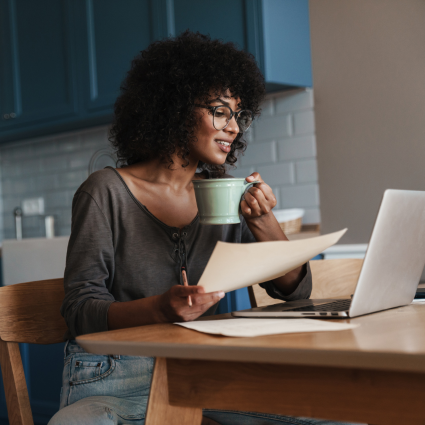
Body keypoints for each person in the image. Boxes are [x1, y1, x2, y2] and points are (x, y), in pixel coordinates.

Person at [48, 31, 358, 425]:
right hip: (116, 378)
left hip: (208, 373)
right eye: (220, 111)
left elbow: (295, 290)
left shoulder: (223, 193)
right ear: (173, 107)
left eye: (239, 115)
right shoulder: (104, 192)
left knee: (341, 414)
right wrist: (161, 308)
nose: (235, 128)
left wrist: (263, 222)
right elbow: (79, 311)